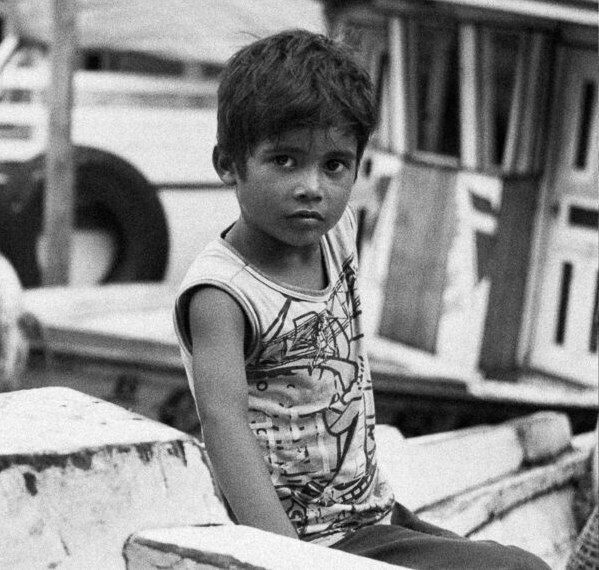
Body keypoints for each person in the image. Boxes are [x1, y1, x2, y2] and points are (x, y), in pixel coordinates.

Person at [172, 29, 549, 569]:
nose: (312, 187)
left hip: (373, 511)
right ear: (228, 164)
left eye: (334, 165)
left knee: (508, 559)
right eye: (284, 161)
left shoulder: (337, 232)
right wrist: (288, 561)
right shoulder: (222, 293)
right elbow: (223, 423)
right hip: (313, 542)